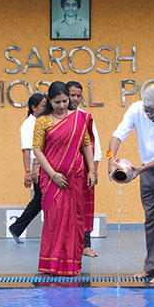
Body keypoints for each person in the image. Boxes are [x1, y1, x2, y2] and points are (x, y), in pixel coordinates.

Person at [108, 84, 154, 285]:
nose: (150, 116)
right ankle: (150, 266)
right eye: (147, 111)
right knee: (150, 220)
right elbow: (118, 134)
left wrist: (141, 169)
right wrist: (110, 158)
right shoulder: (136, 109)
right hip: (145, 171)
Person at [33, 81, 97, 275]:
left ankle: (71, 263)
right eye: (57, 102)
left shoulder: (79, 118)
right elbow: (37, 150)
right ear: (50, 101)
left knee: (74, 220)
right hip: (52, 180)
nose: (61, 105)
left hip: (75, 178)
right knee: (54, 220)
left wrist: (92, 171)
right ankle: (51, 264)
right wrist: (53, 174)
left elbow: (86, 144)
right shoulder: (43, 122)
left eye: (64, 101)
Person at [67, 81, 101, 257]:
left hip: (83, 171)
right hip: (62, 173)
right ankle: (66, 247)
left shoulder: (85, 117)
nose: (75, 99)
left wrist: (93, 172)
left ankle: (85, 245)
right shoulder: (55, 118)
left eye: (78, 95)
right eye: (72, 95)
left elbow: (95, 147)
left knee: (84, 209)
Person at [8, 93, 47, 243]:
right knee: (41, 199)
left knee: (39, 200)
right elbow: (26, 151)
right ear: (34, 107)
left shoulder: (41, 121)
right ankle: (16, 228)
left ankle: (16, 228)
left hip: (43, 167)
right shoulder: (28, 125)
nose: (46, 109)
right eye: (43, 106)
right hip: (37, 169)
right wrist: (28, 172)